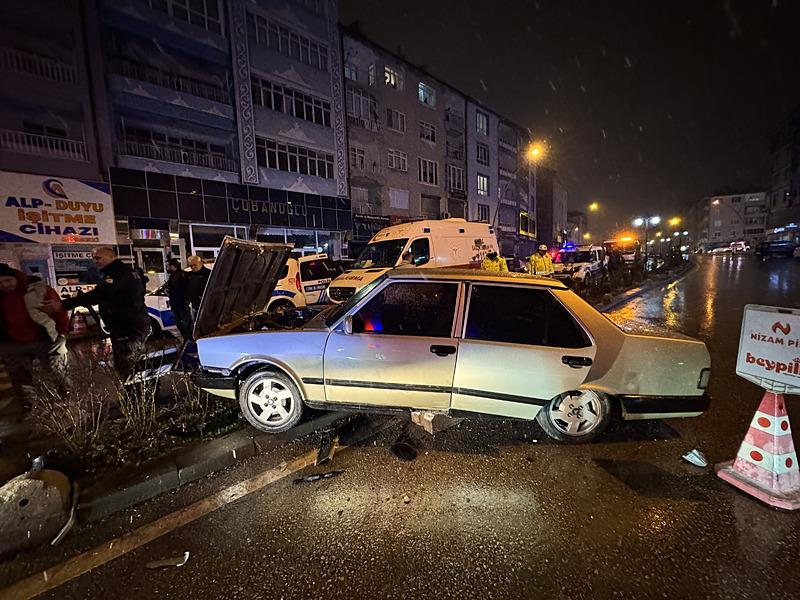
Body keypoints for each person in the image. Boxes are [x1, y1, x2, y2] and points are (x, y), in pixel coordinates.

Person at [45, 246, 149, 380]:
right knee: (132, 363)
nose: (95, 261)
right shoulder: (125, 271)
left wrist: (63, 305)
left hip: (126, 327)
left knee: (128, 366)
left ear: (111, 256)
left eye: (98, 257)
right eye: (93, 258)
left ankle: (136, 397)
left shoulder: (117, 274)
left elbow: (101, 293)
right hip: (131, 324)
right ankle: (139, 393)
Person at [0, 264, 70, 415]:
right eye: (0, 282)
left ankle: (68, 401)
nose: (4, 285)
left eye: (7, 280)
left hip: (45, 338)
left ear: (16, 277)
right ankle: (29, 406)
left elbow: (59, 310)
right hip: (12, 343)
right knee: (20, 377)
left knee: (58, 372)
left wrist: (62, 333)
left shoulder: (38, 289)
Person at [167, 258, 193, 340]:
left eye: (168, 266)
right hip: (176, 304)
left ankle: (190, 339)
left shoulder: (182, 275)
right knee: (180, 323)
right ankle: (187, 339)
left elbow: (186, 289)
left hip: (181, 304)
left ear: (172, 266)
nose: (167, 268)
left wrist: (186, 301)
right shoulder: (174, 276)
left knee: (186, 323)